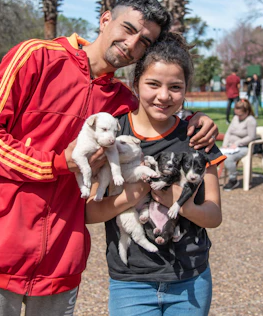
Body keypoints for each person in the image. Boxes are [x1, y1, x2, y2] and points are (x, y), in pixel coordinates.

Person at [0, 0, 220, 316]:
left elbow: (159, 110)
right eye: (128, 28)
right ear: (105, 19)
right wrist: (55, 164)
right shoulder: (36, 57)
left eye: (145, 42)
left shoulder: (121, 101)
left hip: (61, 259)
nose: (132, 44)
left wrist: (198, 120)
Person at [85, 32, 225, 316]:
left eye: (175, 86)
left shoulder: (196, 137)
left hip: (191, 279)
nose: (164, 96)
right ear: (135, 84)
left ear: (186, 89)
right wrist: (133, 194)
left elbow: (214, 215)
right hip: (130, 283)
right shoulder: (114, 134)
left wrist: (176, 200)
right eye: (153, 84)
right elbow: (89, 211)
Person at [221, 99, 257, 191]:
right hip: (230, 147)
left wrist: (237, 143)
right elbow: (228, 132)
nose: (238, 116)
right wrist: (225, 144)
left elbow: (251, 137)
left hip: (243, 147)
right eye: (236, 114)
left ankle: (233, 179)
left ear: (247, 112)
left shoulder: (250, 120)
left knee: (228, 158)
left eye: (240, 115)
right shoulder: (235, 118)